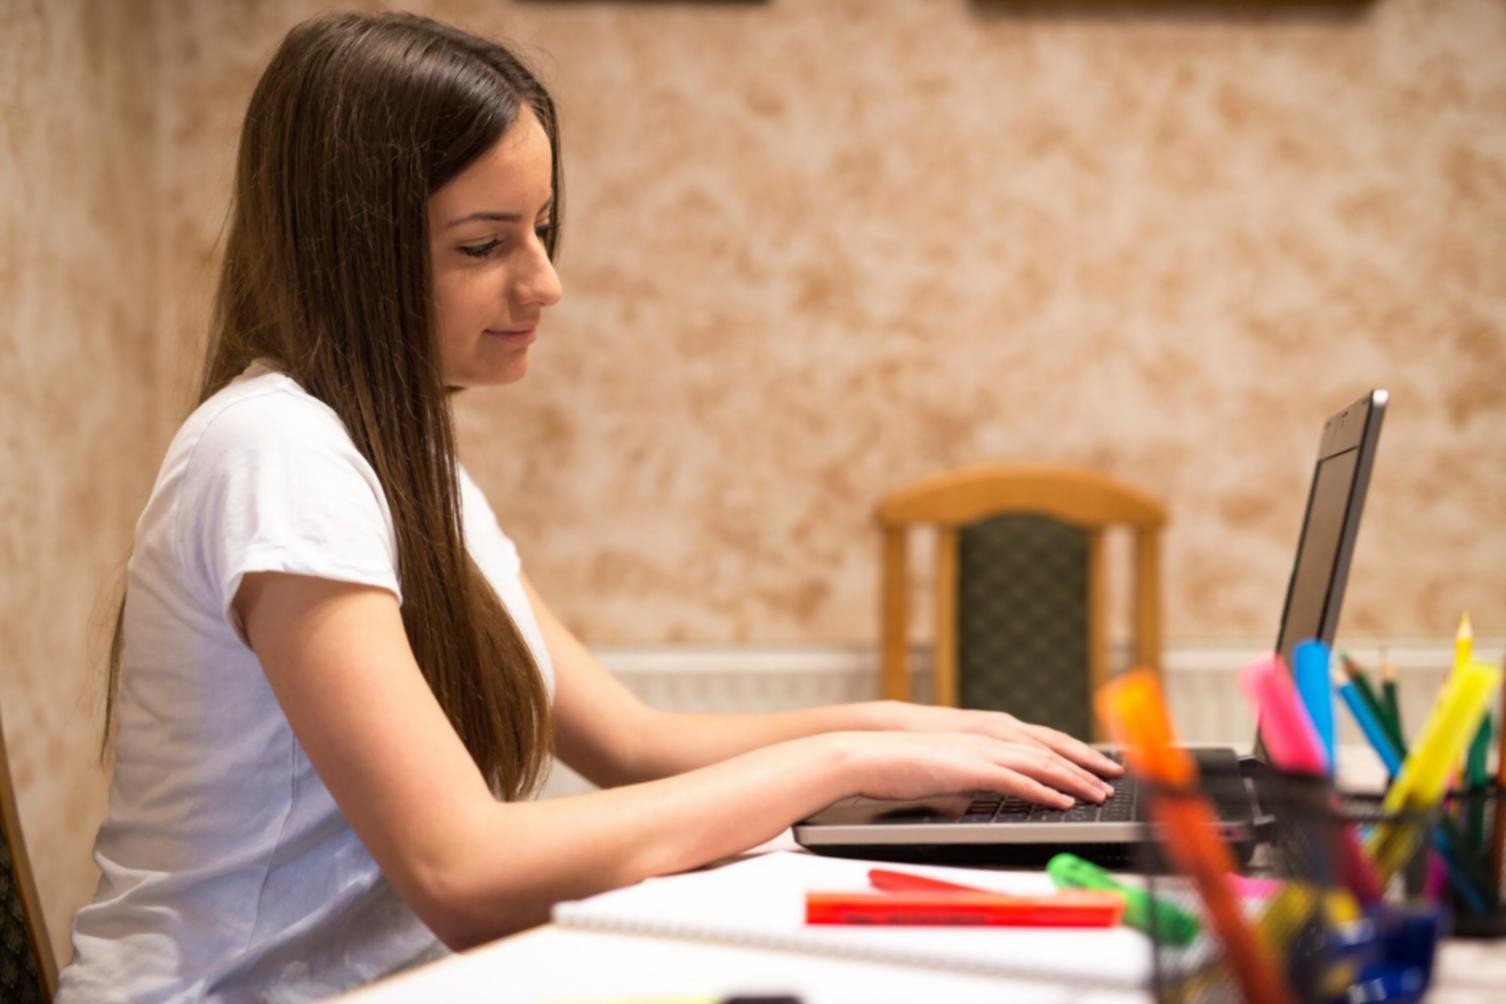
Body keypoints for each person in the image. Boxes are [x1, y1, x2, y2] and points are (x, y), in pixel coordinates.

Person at [57, 11, 1121, 1002]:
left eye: (543, 228)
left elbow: (635, 739)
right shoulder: (274, 451)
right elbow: (461, 866)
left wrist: (894, 725)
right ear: (353, 255)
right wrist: (848, 764)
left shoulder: (395, 455)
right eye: (484, 244)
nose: (544, 282)